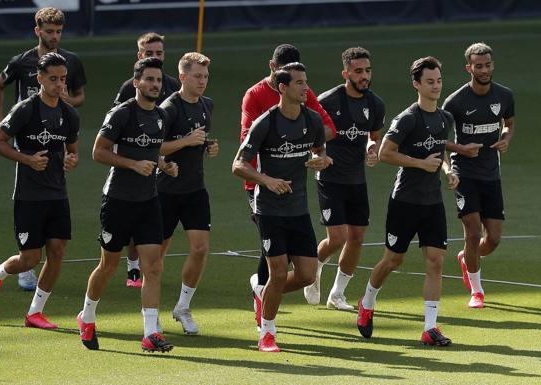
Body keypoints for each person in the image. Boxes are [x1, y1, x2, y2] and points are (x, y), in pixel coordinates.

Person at [355, 56, 459, 346]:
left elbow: (440, 152)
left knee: (436, 262)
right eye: (430, 81)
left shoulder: (444, 118)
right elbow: (385, 153)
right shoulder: (408, 118)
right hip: (405, 201)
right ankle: (367, 302)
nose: (436, 86)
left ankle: (430, 328)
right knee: (393, 259)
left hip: (433, 202)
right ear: (416, 84)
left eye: (438, 81)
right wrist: (419, 163)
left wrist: (449, 171)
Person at [77, 57, 176, 353]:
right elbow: (98, 152)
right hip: (118, 200)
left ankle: (149, 333)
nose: (155, 85)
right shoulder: (121, 114)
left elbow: (149, 150)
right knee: (108, 266)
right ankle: (88, 318)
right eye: (149, 79)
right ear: (136, 83)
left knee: (154, 266)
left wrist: (163, 165)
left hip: (148, 201)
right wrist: (133, 165)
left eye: (158, 80)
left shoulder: (161, 116)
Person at [233, 62, 333, 352]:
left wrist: (322, 160)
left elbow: (320, 150)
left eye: (306, 82)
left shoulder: (312, 120)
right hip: (269, 210)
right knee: (278, 272)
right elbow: (238, 165)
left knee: (307, 275)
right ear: (283, 88)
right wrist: (266, 180)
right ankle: (267, 333)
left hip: (298, 208)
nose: (306, 88)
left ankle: (264, 293)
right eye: (300, 83)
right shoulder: (266, 122)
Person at [0, 52, 80, 330]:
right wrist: (27, 160)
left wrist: (72, 160)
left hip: (58, 194)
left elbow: (72, 150)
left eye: (62, 79)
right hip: (29, 195)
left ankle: (35, 312)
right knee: (29, 259)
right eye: (53, 79)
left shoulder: (70, 114)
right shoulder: (26, 109)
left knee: (58, 252)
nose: (59, 84)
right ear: (39, 79)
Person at [0, 7, 86, 291]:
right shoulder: (22, 62)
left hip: (56, 128)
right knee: (30, 189)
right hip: (27, 134)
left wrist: (65, 99)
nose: (54, 36)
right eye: (49, 31)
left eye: (58, 31)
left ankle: (36, 259)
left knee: (52, 186)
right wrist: (1, 121)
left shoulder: (69, 61)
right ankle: (27, 261)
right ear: (38, 31)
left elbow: (79, 97)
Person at [303, 47, 385, 310]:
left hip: (356, 179)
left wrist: (372, 149)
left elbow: (374, 136)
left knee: (357, 236)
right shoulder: (328, 101)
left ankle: (337, 294)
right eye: (358, 71)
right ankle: (314, 267)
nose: (364, 76)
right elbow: (310, 135)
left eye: (367, 71)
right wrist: (318, 155)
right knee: (337, 238)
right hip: (330, 176)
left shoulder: (375, 104)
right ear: (346, 73)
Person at [442, 42, 515, 309]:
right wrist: (459, 150)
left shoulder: (504, 96)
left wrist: (506, 139)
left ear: (492, 65)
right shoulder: (456, 101)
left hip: (491, 174)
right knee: (472, 233)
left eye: (487, 65)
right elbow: (439, 138)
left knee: (493, 239)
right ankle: (477, 291)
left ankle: (467, 257)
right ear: (469, 67)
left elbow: (509, 124)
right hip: (465, 174)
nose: (484, 70)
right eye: (478, 66)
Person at [112, 32, 181, 289]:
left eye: (159, 53)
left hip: (166, 159)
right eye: (149, 53)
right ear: (140, 56)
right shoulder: (129, 88)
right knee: (135, 219)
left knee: (164, 216)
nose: (155, 57)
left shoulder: (172, 85)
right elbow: (114, 125)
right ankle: (132, 266)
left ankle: (151, 266)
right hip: (137, 162)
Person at [156, 52, 218, 336]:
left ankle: (182, 306)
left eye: (205, 76)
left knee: (201, 248)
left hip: (195, 189)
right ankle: (151, 312)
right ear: (183, 77)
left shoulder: (207, 105)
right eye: (197, 76)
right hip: (166, 191)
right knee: (156, 254)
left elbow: (200, 140)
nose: (202, 81)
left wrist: (208, 147)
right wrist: (185, 141)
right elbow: (156, 147)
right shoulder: (169, 108)